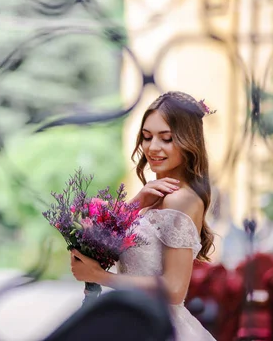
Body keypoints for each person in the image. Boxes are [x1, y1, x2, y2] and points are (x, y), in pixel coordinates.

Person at [70, 91, 216, 340]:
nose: (152, 147)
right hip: (132, 319)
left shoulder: (179, 198)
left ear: (188, 140)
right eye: (147, 137)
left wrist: (100, 277)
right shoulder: (154, 195)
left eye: (166, 138)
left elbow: (174, 289)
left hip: (157, 326)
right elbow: (111, 244)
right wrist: (136, 204)